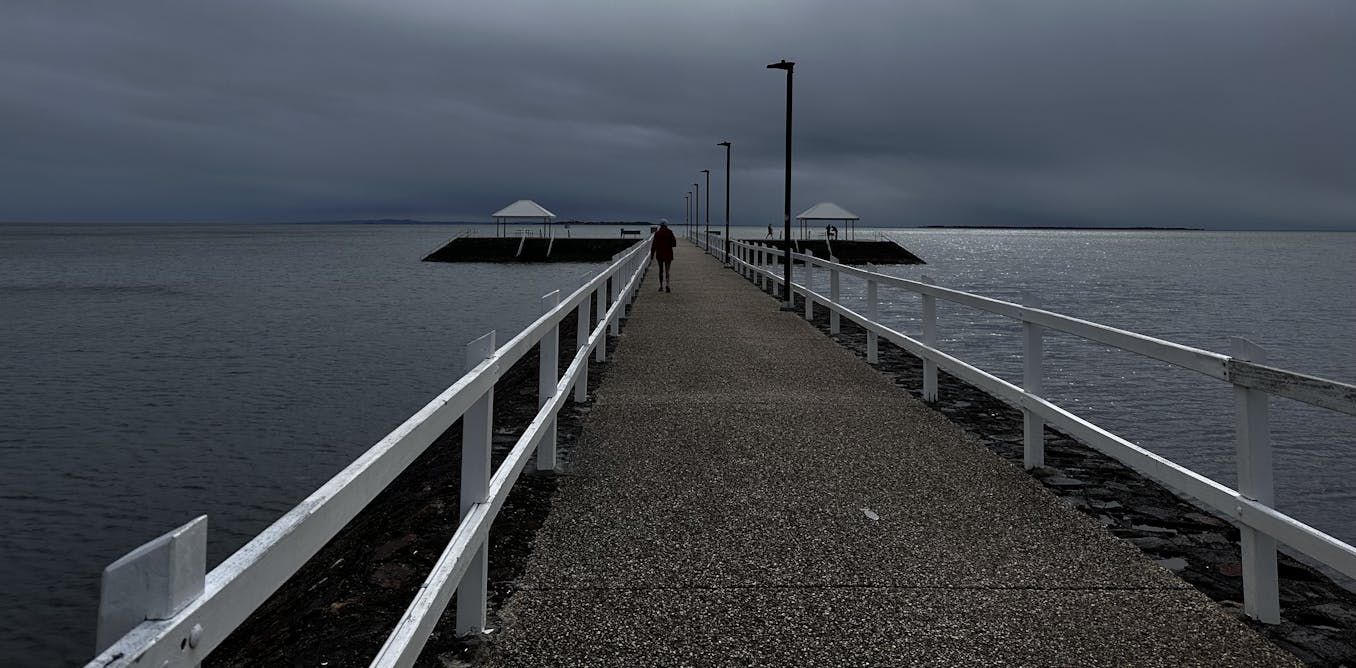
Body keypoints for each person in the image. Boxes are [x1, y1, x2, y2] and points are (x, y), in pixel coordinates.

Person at [652, 219, 678, 292]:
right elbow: (674, 244)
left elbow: (654, 245)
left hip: (659, 254)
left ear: (660, 225)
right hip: (668, 254)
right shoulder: (670, 232)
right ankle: (667, 285)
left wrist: (652, 255)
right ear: (666, 225)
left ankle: (661, 286)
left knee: (660, 270)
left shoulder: (657, 233)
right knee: (667, 270)